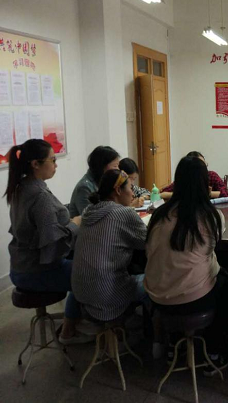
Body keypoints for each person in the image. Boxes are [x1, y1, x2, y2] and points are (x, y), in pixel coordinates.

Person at [145, 156, 228, 371]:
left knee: (184, 274)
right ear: (205, 184)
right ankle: (216, 351)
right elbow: (211, 249)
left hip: (157, 298)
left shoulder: (159, 215)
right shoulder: (211, 216)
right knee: (226, 285)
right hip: (193, 300)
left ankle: (172, 345)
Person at [4, 140, 87, 344]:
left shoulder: (22, 187)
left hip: (19, 267)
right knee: (90, 274)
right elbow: (53, 244)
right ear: (35, 164)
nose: (56, 164)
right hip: (37, 271)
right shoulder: (39, 195)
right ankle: (70, 330)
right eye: (52, 160)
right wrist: (75, 224)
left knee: (82, 263)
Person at [72, 169, 148, 322]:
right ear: (118, 190)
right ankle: (151, 331)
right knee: (154, 283)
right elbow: (149, 243)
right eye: (130, 188)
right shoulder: (124, 214)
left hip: (80, 293)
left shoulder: (88, 211)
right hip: (107, 296)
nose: (133, 194)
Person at [69, 146, 120, 218]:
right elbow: (90, 218)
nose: (118, 170)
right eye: (115, 166)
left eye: (118, 166)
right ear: (101, 167)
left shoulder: (104, 182)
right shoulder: (84, 187)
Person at [161, 151, 228, 200]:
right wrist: (182, 194)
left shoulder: (211, 175)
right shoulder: (184, 178)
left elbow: (226, 193)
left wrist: (206, 194)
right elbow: (162, 193)